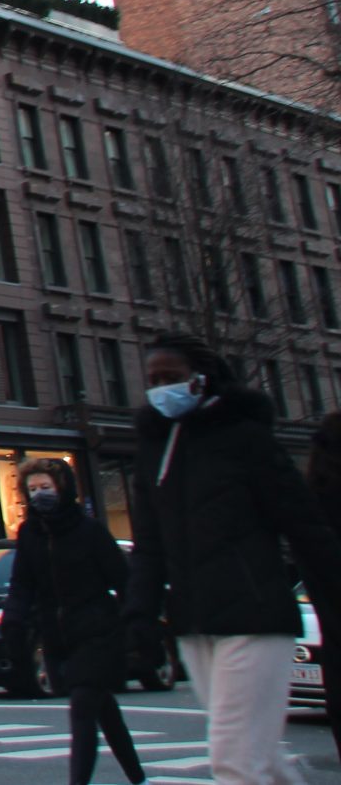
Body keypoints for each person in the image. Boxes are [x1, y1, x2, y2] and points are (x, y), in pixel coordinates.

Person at [124, 334, 341, 785]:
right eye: (153, 379)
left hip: (256, 616)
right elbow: (148, 544)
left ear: (202, 380)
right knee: (261, 761)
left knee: (234, 759)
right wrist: (139, 616)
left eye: (172, 378)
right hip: (195, 623)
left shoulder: (245, 439)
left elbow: (304, 524)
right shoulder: (151, 450)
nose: (162, 387)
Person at [9, 458, 145, 785]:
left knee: (82, 710)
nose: (39, 494)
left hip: (98, 632)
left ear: (62, 488)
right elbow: (23, 583)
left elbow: (122, 580)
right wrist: (12, 620)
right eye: (33, 489)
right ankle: (139, 779)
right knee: (104, 711)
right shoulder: (29, 533)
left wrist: (137, 630)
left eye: (46, 487)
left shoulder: (90, 530)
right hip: (59, 636)